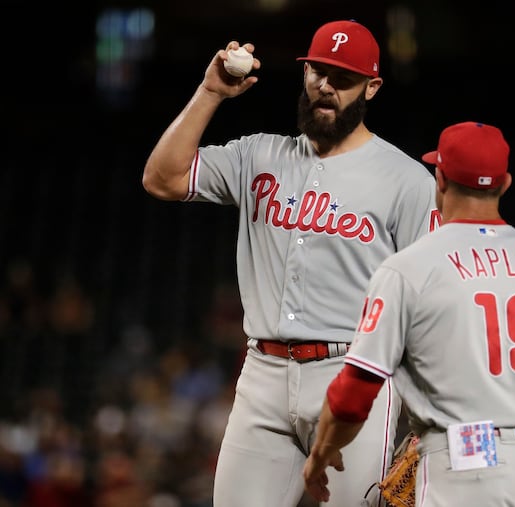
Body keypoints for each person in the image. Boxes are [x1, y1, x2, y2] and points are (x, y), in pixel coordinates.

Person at [142, 19, 439, 507]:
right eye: (318, 72)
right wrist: (210, 92)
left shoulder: (407, 180)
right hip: (262, 372)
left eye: (343, 78)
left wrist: (427, 414)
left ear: (372, 86)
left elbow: (428, 303)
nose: (326, 87)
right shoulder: (258, 154)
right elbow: (162, 178)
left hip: (354, 375)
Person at [303, 121, 515, 506]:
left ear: (440, 179)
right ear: (505, 184)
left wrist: (320, 454)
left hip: (468, 455)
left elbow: (355, 391)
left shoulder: (409, 268)